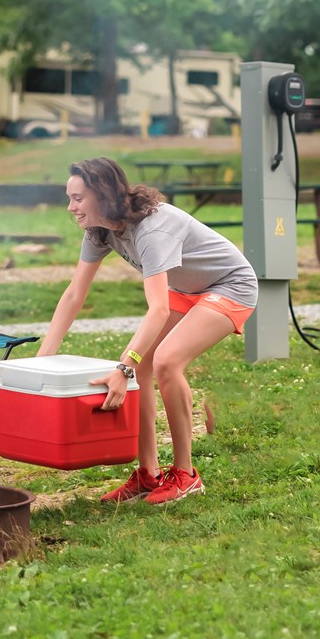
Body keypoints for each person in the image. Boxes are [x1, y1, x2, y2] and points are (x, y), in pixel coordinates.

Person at [37, 157, 257, 505]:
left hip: (230, 285)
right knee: (141, 366)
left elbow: (158, 309)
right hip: (186, 290)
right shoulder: (100, 229)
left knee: (166, 361)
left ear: (102, 194)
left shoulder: (153, 230)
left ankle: (186, 475)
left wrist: (123, 368)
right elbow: (75, 293)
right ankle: (148, 474)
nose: (71, 207)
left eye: (78, 198)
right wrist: (42, 359)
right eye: (70, 197)